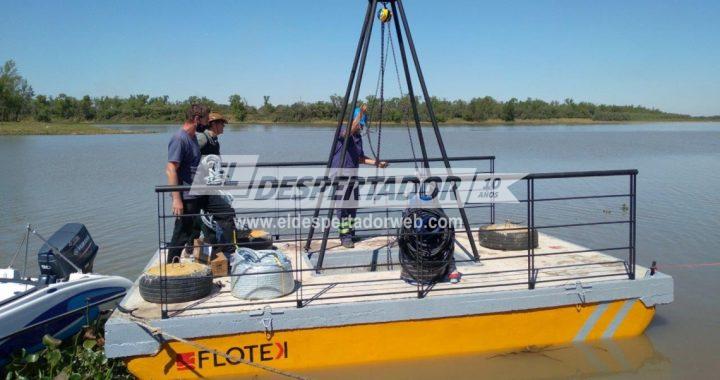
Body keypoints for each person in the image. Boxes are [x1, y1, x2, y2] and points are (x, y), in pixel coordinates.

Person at [331, 104, 387, 248]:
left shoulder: (357, 138)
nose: (361, 128)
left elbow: (360, 158)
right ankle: (345, 236)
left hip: (353, 175)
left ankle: (351, 232)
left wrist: (376, 163)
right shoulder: (343, 131)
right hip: (341, 174)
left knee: (352, 206)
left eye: (362, 125)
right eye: (360, 125)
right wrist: (360, 114)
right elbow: (348, 131)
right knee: (342, 207)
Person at [165, 104, 209, 262]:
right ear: (197, 119)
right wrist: (177, 199)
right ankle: (170, 268)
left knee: (189, 230)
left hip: (195, 192)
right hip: (185, 196)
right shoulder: (179, 138)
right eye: (205, 120)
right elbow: (170, 168)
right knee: (181, 233)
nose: (207, 124)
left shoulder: (193, 138)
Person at [194, 112, 236, 254]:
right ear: (213, 124)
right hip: (198, 187)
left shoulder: (214, 140)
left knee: (223, 213)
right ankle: (223, 250)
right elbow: (190, 157)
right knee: (194, 219)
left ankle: (221, 249)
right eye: (221, 123)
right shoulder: (202, 139)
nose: (224, 126)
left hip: (209, 187)